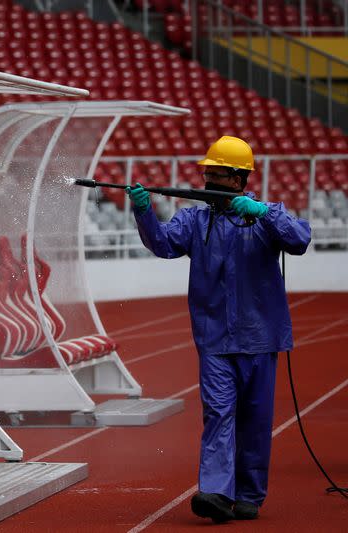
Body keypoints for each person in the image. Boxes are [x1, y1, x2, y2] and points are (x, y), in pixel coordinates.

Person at [125, 136, 311, 523]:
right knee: (219, 413)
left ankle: (249, 495)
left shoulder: (265, 215)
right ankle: (216, 492)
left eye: (217, 174)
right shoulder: (194, 219)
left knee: (255, 421)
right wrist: (144, 212)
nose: (208, 180)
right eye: (206, 173)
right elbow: (163, 244)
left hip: (261, 338)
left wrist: (262, 212)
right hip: (213, 339)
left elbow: (299, 240)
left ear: (240, 178)